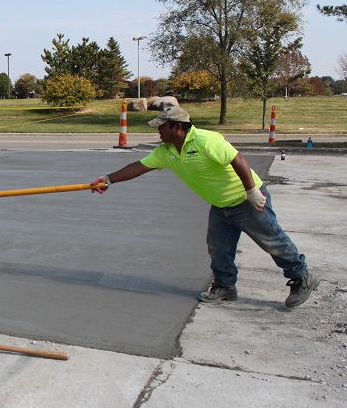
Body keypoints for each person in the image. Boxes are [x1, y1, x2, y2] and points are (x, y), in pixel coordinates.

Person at [90, 105, 318, 308]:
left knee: (272, 241)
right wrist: (108, 180)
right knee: (218, 247)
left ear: (177, 127)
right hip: (221, 206)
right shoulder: (166, 151)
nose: (158, 131)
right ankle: (225, 286)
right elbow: (138, 166)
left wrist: (251, 191)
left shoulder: (206, 141)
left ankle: (301, 277)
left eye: (161, 127)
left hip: (247, 201)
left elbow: (237, 159)